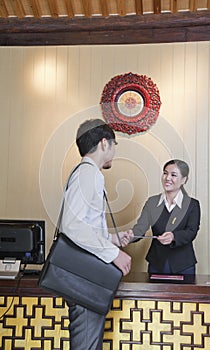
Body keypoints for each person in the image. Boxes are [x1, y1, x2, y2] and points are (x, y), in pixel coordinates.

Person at [60, 119, 133, 350]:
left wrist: (112, 238)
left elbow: (85, 226)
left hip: (84, 278)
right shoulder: (88, 174)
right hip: (85, 280)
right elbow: (72, 226)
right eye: (114, 144)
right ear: (104, 143)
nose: (113, 150)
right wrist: (114, 253)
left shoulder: (88, 173)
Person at [131, 159, 201, 275]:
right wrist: (130, 236)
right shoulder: (152, 202)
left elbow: (191, 231)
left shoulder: (192, 205)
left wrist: (173, 236)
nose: (167, 178)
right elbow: (140, 228)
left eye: (173, 175)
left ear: (184, 180)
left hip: (183, 265)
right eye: (165, 173)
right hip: (157, 263)